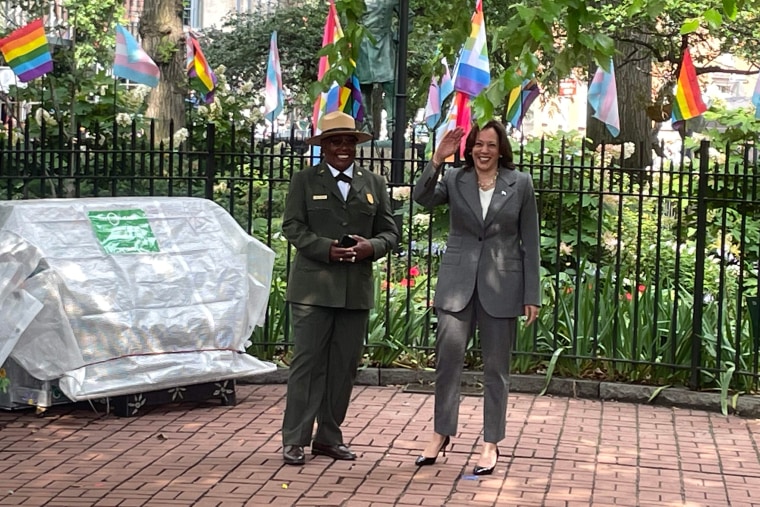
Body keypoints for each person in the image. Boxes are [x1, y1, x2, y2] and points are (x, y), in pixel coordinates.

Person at [411, 121, 541, 476]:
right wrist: (437, 159)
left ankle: (490, 442)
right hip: (457, 285)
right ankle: (441, 433)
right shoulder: (455, 179)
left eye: (491, 145)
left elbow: (530, 242)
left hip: (503, 287)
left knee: (496, 370)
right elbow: (421, 197)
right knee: (447, 364)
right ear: (469, 148)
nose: (484, 151)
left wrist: (532, 294)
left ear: (501, 150)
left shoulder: (521, 184)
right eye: (478, 145)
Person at [280, 111, 399, 466]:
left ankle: (329, 437)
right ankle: (296, 439)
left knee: (344, 366)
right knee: (308, 364)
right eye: (335, 141)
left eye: (348, 141)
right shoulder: (305, 180)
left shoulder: (373, 183)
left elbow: (390, 232)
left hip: (354, 289)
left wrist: (371, 248)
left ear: (356, 145)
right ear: (324, 146)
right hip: (313, 289)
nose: (343, 147)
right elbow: (292, 226)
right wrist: (325, 249)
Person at [355, 0, 402, 138]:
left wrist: (398, 35)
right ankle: (365, 128)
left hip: (385, 43)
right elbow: (347, 19)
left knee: (390, 86)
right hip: (363, 44)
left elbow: (408, 16)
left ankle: (393, 128)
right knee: (364, 87)